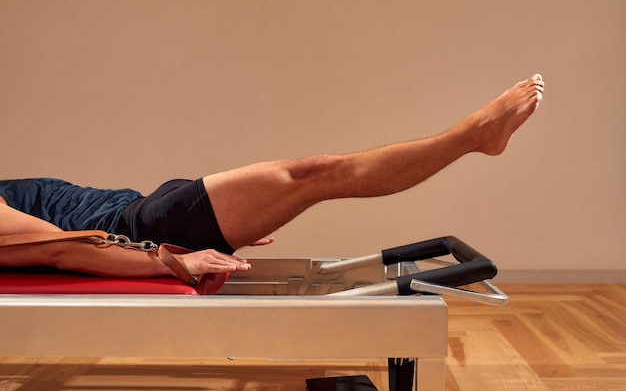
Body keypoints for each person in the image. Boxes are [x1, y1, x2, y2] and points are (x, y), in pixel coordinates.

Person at [0, 74, 544, 283]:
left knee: (312, 176)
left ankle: (474, 137)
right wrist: (175, 257)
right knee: (316, 174)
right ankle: (473, 136)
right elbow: (58, 249)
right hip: (149, 226)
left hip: (152, 207)